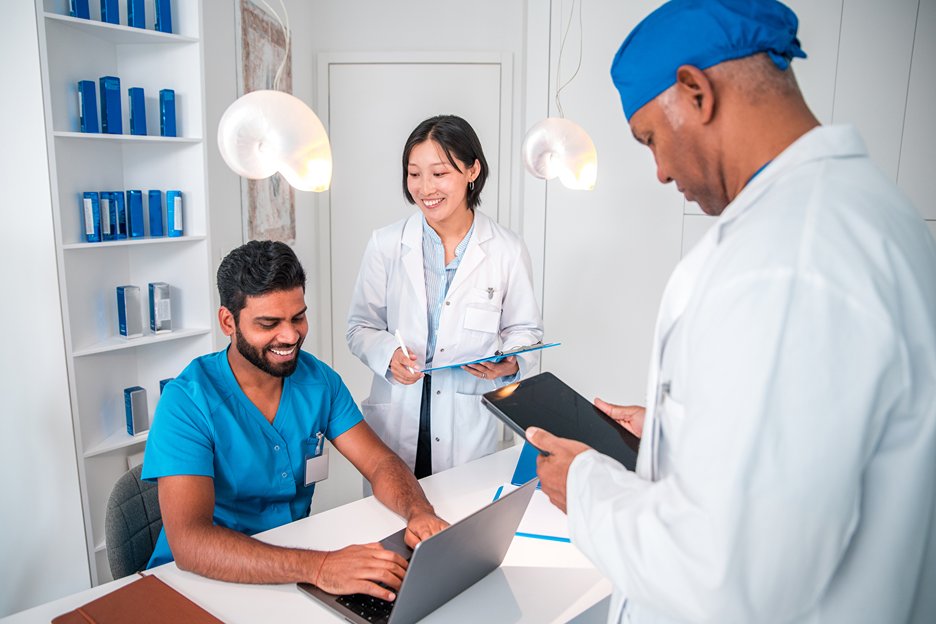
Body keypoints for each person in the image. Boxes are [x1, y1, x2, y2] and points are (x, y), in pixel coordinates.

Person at [529, 1, 936, 622]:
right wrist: (674, 436)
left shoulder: (785, 260)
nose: (661, 172)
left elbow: (726, 573)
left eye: (651, 139)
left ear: (696, 91)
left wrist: (586, 487)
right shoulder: (868, 212)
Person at [142, 240, 447, 603]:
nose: (289, 337)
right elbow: (191, 544)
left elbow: (379, 463)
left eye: (297, 317)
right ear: (228, 321)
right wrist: (320, 569)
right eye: (268, 323)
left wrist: (419, 513)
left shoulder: (319, 382)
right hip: (201, 583)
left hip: (286, 566)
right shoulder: (187, 403)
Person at [347, 114, 544, 478]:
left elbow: (525, 330)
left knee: (462, 520)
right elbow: (360, 326)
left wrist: (510, 362)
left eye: (439, 174)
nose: (425, 188)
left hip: (465, 426)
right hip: (397, 418)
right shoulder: (386, 244)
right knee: (392, 524)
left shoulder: (506, 250)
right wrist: (387, 354)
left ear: (472, 171)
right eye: (414, 173)